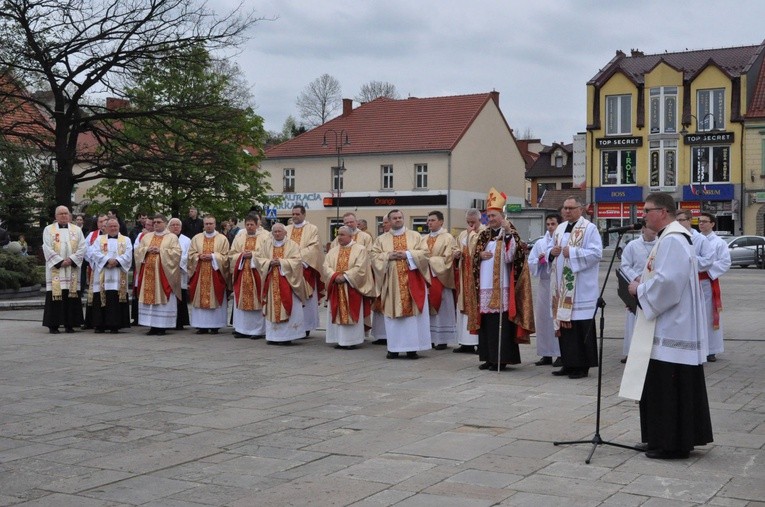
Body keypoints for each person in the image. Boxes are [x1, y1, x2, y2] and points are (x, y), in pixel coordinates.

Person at [622, 192, 712, 460]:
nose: (643, 215)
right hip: (669, 323)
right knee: (663, 386)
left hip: (671, 327)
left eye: (647, 210)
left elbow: (668, 284)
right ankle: (660, 438)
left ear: (662, 212)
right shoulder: (670, 238)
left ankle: (671, 444)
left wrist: (640, 288)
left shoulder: (672, 240)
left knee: (668, 387)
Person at [471, 189, 534, 371]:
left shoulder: (509, 232)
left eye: (493, 215)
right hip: (485, 285)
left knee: (501, 325)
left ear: (501, 215)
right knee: (486, 325)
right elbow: (473, 257)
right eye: (488, 215)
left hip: (503, 286)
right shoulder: (483, 235)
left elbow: (512, 257)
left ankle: (502, 358)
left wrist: (507, 234)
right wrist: (479, 255)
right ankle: (488, 357)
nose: (490, 219)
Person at [547, 196, 602, 379]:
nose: (567, 211)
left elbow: (596, 253)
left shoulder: (589, 228)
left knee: (579, 327)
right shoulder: (560, 228)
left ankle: (582, 366)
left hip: (580, 288)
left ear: (581, 209)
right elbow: (550, 249)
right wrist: (551, 252)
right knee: (565, 328)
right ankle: (568, 363)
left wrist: (573, 252)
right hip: (561, 288)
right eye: (565, 208)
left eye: (571, 208)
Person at [370, 209, 431, 359]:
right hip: (392, 283)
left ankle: (412, 348)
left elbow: (425, 253)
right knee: (393, 315)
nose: (397, 220)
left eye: (400, 217)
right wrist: (389, 255)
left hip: (412, 282)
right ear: (389, 221)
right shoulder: (381, 239)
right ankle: (394, 348)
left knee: (412, 318)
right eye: (394, 218)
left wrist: (407, 254)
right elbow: (373, 256)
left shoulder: (415, 236)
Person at [253, 223, 310, 345]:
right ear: (272, 233)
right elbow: (258, 259)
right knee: (272, 307)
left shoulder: (292, 245)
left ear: (285, 233)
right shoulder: (266, 244)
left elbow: (297, 261)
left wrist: (281, 263)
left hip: (288, 282)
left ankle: (287, 336)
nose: (277, 234)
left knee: (288, 306)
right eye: (275, 232)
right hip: (271, 281)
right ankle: (273, 336)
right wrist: (269, 263)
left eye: (279, 231)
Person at [322, 226, 375, 349]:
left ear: (351, 236)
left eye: (342, 235)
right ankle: (338, 339)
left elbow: (361, 268)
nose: (339, 237)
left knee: (352, 312)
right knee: (336, 311)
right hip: (336, 287)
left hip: (352, 287)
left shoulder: (360, 249)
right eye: (338, 234)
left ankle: (352, 341)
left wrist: (345, 277)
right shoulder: (333, 251)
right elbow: (325, 266)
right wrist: (334, 276)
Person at [42, 206, 87, 333]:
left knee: (71, 295)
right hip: (57, 269)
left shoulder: (76, 230)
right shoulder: (48, 229)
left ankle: (70, 324)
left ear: (69, 215)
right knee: (56, 295)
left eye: (66, 213)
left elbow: (82, 247)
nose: (63, 216)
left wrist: (71, 260)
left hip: (71, 269)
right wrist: (60, 261)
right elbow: (46, 247)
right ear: (56, 216)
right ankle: (53, 325)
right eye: (61, 214)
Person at [134, 214, 182, 336]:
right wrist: (146, 250)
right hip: (148, 274)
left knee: (162, 299)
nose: (156, 224)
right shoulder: (147, 237)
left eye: (159, 222)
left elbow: (176, 253)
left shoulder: (172, 237)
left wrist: (160, 250)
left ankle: (162, 326)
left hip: (163, 275)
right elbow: (138, 251)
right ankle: (152, 326)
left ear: (165, 223)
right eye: (154, 222)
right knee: (149, 299)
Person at [618, 225, 657, 363]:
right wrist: (636, 277)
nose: (654, 230)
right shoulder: (633, 245)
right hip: (635, 285)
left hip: (652, 286)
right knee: (632, 319)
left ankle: (650, 352)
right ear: (643, 229)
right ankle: (631, 352)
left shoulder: (661, 244)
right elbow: (625, 265)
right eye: (650, 228)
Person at [528, 213, 562, 366]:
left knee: (557, 318)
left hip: (558, 284)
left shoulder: (563, 240)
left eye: (553, 224)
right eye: (548, 224)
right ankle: (546, 353)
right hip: (544, 282)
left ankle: (561, 353)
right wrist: (541, 259)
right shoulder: (540, 243)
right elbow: (532, 261)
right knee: (543, 319)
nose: (550, 227)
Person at [285, 205, 324, 337]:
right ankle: (292, 324)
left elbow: (314, 248)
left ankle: (306, 326)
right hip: (289, 269)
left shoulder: (312, 229)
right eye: (293, 214)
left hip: (304, 268)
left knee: (307, 299)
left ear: (304, 214)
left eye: (297, 214)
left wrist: (298, 260)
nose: (295, 216)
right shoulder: (286, 229)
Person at [88, 218, 132, 333]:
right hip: (103, 274)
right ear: (106, 228)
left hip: (118, 274)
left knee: (115, 298)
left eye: (115, 226)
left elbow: (128, 254)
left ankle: (115, 325)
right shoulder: (99, 239)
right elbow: (95, 253)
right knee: (101, 298)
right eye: (110, 226)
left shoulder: (126, 240)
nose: (113, 228)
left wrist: (117, 261)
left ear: (119, 227)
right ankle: (100, 325)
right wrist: (107, 261)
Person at [697, 212, 731, 362]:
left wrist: (706, 269)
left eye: (704, 221)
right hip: (693, 281)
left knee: (710, 315)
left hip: (708, 280)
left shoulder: (719, 242)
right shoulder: (694, 239)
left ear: (712, 224)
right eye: (699, 221)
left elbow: (724, 262)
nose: (701, 224)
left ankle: (711, 349)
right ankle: (696, 347)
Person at [188, 215, 230, 334]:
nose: (209, 226)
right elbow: (190, 254)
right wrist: (198, 256)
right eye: (206, 224)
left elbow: (226, 257)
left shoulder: (222, 239)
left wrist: (212, 256)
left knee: (215, 296)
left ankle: (215, 325)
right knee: (200, 298)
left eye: (211, 223)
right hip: (200, 273)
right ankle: (201, 325)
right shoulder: (196, 238)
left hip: (215, 274)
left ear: (215, 224)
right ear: (203, 225)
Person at [228, 213, 266, 339]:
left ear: (257, 224)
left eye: (252, 224)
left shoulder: (265, 237)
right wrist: (241, 256)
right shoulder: (240, 237)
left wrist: (253, 255)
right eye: (247, 224)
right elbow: (232, 254)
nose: (250, 227)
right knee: (241, 301)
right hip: (242, 273)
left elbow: (266, 254)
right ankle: (241, 329)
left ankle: (257, 331)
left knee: (257, 301)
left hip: (257, 275)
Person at [425, 210, 458, 350]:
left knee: (443, 308)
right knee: (427, 308)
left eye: (432, 220)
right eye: (428, 220)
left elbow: (448, 258)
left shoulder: (448, 238)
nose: (429, 223)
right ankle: (430, 338)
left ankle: (442, 338)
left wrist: (430, 261)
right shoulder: (423, 238)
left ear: (441, 222)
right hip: (426, 278)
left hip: (441, 279)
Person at [453, 208, 484, 354]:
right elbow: (456, 247)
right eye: (468, 222)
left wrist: (471, 234)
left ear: (480, 220)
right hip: (464, 275)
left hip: (477, 276)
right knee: (462, 307)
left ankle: (478, 342)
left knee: (475, 307)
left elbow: (475, 249)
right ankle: (465, 342)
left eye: (474, 222)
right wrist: (456, 253)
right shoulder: (463, 234)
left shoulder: (484, 232)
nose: (471, 225)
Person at [83, 214, 107, 329]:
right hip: (96, 268)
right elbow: (86, 250)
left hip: (111, 269)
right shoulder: (92, 235)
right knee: (95, 294)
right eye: (101, 221)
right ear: (97, 224)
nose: (103, 223)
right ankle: (92, 321)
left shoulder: (115, 233)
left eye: (105, 220)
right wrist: (95, 260)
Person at [167, 218, 191, 330]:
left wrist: (177, 263)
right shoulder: (166, 238)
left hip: (180, 272)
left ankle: (180, 321)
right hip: (167, 272)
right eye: (173, 225)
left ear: (181, 227)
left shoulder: (186, 240)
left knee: (180, 296)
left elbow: (188, 255)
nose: (175, 227)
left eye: (177, 225)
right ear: (169, 227)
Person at [131, 216, 154, 325]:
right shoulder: (141, 235)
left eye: (150, 225)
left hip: (154, 269)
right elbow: (136, 249)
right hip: (142, 266)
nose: (148, 227)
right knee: (138, 291)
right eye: (146, 225)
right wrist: (146, 249)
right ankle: (137, 318)